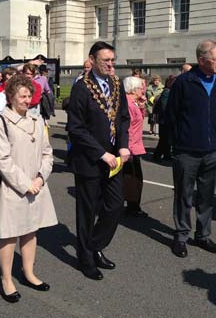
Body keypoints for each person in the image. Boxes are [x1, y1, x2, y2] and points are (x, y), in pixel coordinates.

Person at [0, 74, 57, 303]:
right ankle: (6, 279)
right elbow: (2, 160)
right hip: (13, 187)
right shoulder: (1, 121)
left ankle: (29, 273)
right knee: (9, 234)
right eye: (22, 96)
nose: (27, 100)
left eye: (29, 95)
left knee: (31, 230)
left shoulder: (37, 121)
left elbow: (48, 153)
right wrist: (26, 184)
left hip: (36, 185)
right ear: (10, 96)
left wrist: (40, 178)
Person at [67, 41, 130, 280]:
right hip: (90, 160)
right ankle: (86, 257)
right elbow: (76, 128)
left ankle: (93, 246)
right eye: (106, 60)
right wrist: (100, 153)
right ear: (92, 60)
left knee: (114, 205)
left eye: (113, 60)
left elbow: (123, 118)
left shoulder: (116, 83)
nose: (111, 64)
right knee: (87, 210)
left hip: (114, 159)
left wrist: (123, 145)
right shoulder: (81, 87)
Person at [167, 39, 216, 258]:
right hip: (187, 150)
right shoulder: (184, 82)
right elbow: (171, 115)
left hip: (213, 150)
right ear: (202, 60)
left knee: (206, 195)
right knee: (183, 195)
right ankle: (181, 235)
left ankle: (203, 236)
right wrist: (178, 143)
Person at [122, 76, 148, 217]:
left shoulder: (133, 102)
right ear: (132, 89)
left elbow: (139, 121)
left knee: (134, 179)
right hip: (131, 147)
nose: (142, 90)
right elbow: (128, 127)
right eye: (140, 88)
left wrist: (142, 107)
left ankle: (133, 206)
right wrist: (129, 148)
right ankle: (132, 207)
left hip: (135, 145)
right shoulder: (128, 104)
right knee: (133, 179)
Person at [153, 75, 177, 162]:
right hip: (165, 120)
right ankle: (157, 155)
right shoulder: (167, 91)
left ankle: (166, 155)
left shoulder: (170, 91)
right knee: (164, 139)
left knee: (167, 139)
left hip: (167, 120)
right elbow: (164, 106)